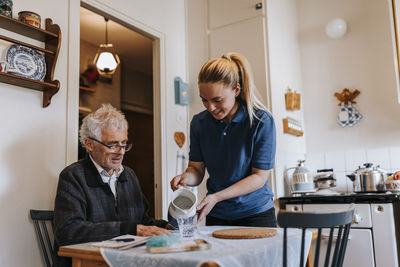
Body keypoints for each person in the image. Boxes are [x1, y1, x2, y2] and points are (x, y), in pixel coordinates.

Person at [54, 104, 171, 266]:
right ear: (89, 144)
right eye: (113, 144)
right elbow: (68, 231)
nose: (121, 152)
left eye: (123, 144)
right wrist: (130, 229)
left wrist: (169, 226)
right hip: (87, 262)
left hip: (124, 261)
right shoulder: (73, 176)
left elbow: (142, 221)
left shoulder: (128, 175)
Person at [170, 52, 277, 227]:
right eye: (204, 100)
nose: (210, 107)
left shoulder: (261, 121)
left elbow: (259, 177)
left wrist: (217, 196)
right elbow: (196, 169)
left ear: (236, 89)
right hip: (218, 214)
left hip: (256, 213)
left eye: (217, 100)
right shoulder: (199, 123)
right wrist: (185, 178)